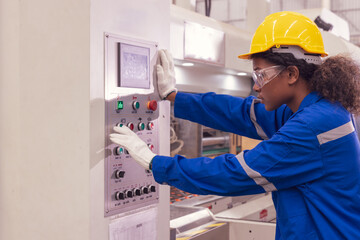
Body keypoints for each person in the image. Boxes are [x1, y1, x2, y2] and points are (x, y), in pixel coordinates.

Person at [110, 11, 360, 239]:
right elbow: (241, 113)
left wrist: (156, 163)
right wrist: (174, 96)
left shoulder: (313, 126)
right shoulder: (314, 110)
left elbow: (237, 173)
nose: (256, 86)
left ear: (292, 74)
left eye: (261, 74)